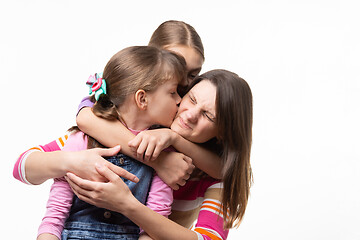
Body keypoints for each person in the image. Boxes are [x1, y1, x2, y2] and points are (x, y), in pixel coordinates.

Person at [13, 20, 222, 191]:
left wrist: (174, 137)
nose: (184, 82)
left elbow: (226, 171)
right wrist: (159, 161)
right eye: (174, 64)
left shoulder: (197, 118)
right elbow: (85, 119)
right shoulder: (104, 124)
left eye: (193, 74)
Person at [66, 69, 254, 240]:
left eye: (208, 115)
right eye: (192, 100)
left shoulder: (214, 177)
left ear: (223, 133)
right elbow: (37, 159)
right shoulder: (137, 128)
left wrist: (127, 205)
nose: (190, 115)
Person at [37, 45, 186, 240]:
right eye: (173, 92)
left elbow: (153, 227)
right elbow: (54, 217)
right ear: (142, 99)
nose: (180, 100)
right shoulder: (81, 140)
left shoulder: (165, 155)